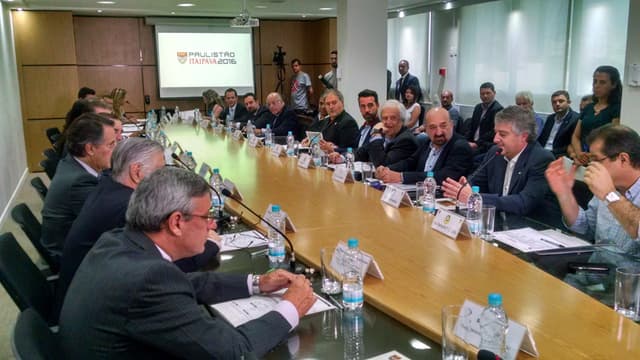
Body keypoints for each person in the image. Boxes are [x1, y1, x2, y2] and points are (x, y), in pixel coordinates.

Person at [59, 167, 315, 359]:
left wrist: (258, 282)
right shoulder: (148, 279)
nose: (212, 224)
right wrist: (290, 307)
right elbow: (236, 352)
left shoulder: (118, 240)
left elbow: (183, 282)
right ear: (176, 222)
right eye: (206, 216)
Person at [55, 139, 170, 319]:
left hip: (81, 289)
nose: (165, 179)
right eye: (160, 171)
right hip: (93, 307)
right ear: (137, 172)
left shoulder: (109, 186)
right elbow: (157, 264)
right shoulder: (127, 206)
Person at [546, 125, 640, 256]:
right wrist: (564, 193)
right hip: (594, 269)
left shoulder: (607, 189)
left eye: (596, 159)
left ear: (623, 159)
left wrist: (609, 195)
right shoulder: (608, 185)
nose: (591, 166)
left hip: (628, 275)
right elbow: (585, 228)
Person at [442, 106, 554, 216]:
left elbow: (524, 203)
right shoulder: (495, 153)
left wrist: (476, 198)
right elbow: (478, 182)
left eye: (502, 134)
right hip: (496, 223)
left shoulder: (541, 159)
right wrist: (465, 187)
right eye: (496, 133)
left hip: (528, 227)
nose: (495, 139)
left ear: (523, 137)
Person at [41, 113, 116, 268]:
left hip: (68, 244)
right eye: (111, 144)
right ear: (90, 149)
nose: (116, 149)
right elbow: (110, 222)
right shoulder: (79, 182)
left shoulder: (72, 164)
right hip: (74, 260)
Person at [377, 107, 472, 185]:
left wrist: (401, 177)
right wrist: (387, 169)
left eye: (443, 126)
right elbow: (410, 162)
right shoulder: (427, 143)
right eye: (433, 127)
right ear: (425, 129)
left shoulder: (460, 146)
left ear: (451, 125)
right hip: (420, 195)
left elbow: (443, 177)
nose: (439, 132)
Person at [571, 65, 622, 165]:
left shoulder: (617, 108)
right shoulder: (588, 107)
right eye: (595, 81)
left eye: (602, 82)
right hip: (582, 158)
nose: (596, 85)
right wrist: (579, 154)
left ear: (613, 84)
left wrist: (593, 156)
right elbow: (576, 136)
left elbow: (612, 139)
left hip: (602, 159)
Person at [354, 100, 417, 167]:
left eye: (393, 118)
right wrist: (344, 157)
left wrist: (376, 135)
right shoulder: (385, 133)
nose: (388, 122)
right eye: (385, 118)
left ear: (401, 120)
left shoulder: (406, 140)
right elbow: (359, 154)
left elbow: (381, 165)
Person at [303, 89, 359, 153]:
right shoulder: (325, 121)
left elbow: (349, 150)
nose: (331, 107)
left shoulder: (348, 122)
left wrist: (333, 148)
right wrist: (309, 141)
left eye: (334, 103)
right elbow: (315, 135)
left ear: (342, 103)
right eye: (328, 104)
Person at [465, 82, 504, 156]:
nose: (485, 96)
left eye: (488, 93)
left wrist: (476, 143)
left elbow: (493, 132)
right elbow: (472, 126)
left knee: (466, 156)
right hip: (472, 142)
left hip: (485, 145)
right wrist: (466, 141)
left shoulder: (498, 109)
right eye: (482, 94)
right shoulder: (478, 107)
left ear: (494, 93)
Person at [537, 90, 580, 158]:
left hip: (558, 155)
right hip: (543, 152)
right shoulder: (550, 118)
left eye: (561, 101)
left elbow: (570, 144)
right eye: (554, 102)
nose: (557, 104)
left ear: (568, 102)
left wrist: (548, 153)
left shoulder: (575, 119)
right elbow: (542, 139)